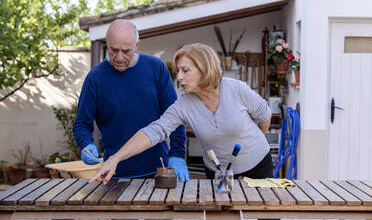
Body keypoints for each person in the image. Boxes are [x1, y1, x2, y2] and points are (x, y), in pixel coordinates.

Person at [89, 43, 273, 184]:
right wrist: (115, 159)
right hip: (217, 170)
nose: (179, 77)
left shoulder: (236, 89)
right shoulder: (184, 104)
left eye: (185, 70)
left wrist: (251, 147)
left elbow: (264, 115)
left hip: (257, 165)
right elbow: (156, 131)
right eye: (178, 71)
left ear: (204, 68)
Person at [73, 19, 189, 181]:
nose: (119, 57)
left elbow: (176, 116)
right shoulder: (95, 78)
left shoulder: (156, 68)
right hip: (115, 173)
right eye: (113, 50)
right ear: (107, 44)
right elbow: (81, 124)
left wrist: (177, 154)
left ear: (137, 45)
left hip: (158, 170)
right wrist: (86, 144)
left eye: (126, 51)